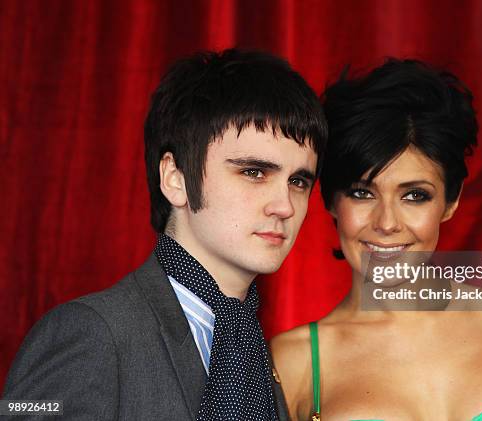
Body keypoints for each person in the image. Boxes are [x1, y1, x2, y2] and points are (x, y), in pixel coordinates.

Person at [3, 49, 326, 420]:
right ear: (175, 178)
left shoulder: (257, 352)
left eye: (299, 181)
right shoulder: (90, 333)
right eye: (254, 172)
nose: (284, 205)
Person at [271, 59, 482, 420]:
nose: (387, 223)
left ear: (450, 202)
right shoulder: (292, 363)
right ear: (331, 200)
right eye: (362, 193)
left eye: (414, 195)